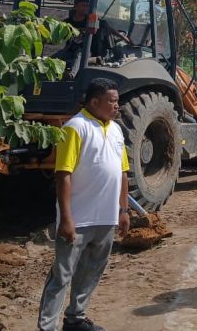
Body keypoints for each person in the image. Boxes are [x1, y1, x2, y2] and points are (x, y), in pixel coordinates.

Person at [37, 78, 131, 331]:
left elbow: (122, 172)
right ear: (94, 102)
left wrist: (122, 211)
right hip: (78, 219)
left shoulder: (116, 130)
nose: (117, 106)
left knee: (91, 272)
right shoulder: (75, 128)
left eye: (117, 101)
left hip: (106, 218)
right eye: (112, 102)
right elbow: (63, 174)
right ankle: (47, 327)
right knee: (62, 276)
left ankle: (75, 319)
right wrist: (66, 218)